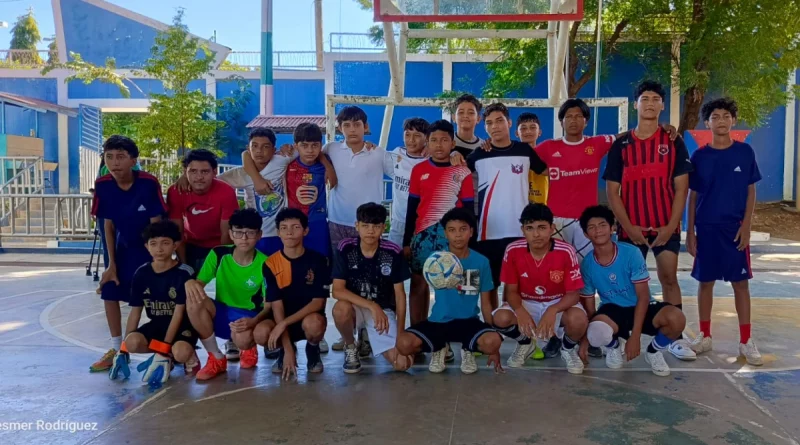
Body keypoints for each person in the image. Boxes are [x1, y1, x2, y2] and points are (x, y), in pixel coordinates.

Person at [603, 80, 697, 362]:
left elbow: (682, 188)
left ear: (663, 105)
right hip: (631, 229)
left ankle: (674, 339)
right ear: (636, 104)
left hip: (664, 226)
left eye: (656, 98)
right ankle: (618, 338)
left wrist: (671, 225)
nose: (650, 103)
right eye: (645, 98)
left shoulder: (672, 141)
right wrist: (628, 227)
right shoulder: (622, 144)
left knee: (668, 277)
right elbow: (612, 191)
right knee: (625, 285)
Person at [686, 98, 762, 365]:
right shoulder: (699, 156)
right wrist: (691, 232)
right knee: (705, 282)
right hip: (706, 229)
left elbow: (751, 190)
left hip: (734, 230)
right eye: (714, 116)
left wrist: (746, 226)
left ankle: (745, 341)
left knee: (740, 284)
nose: (720, 120)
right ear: (707, 123)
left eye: (725, 115)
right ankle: (705, 336)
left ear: (733, 120)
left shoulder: (745, 152)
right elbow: (692, 197)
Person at [578, 205, 687, 376]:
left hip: (641, 306)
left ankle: (653, 352)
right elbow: (589, 306)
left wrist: (635, 337)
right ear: (585, 234)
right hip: (613, 310)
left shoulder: (631, 253)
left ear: (612, 227)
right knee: (596, 332)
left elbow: (643, 297)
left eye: (602, 225)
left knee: (677, 318)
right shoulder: (587, 265)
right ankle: (614, 347)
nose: (598, 231)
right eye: (591, 227)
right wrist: (586, 340)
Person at [90, 135, 167, 373]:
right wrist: (111, 264)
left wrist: (160, 259)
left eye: (121, 157)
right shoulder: (103, 185)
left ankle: (166, 348)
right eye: (109, 157)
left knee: (161, 297)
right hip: (122, 250)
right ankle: (115, 348)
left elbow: (157, 224)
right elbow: (108, 227)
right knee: (110, 289)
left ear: (133, 160)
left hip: (149, 250)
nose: (115, 163)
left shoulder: (147, 183)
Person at [396, 208, 504, 374]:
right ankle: (439, 348)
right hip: (438, 321)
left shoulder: (481, 261)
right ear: (445, 233)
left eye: (463, 229)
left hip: (469, 321)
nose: (458, 235)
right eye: (452, 230)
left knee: (493, 341)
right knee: (403, 343)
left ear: (471, 232)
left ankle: (468, 349)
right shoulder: (436, 259)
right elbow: (420, 288)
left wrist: (494, 344)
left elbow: (486, 304)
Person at [323, 106, 393, 353]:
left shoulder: (378, 154)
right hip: (337, 225)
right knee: (343, 282)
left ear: (365, 127)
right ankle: (348, 332)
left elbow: (403, 171)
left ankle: (366, 334)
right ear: (340, 128)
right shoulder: (331, 149)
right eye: (346, 125)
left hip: (368, 229)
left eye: (357, 124)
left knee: (369, 281)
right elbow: (314, 156)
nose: (352, 130)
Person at [467, 103, 548, 311]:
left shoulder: (525, 151)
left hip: (519, 232)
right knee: (488, 285)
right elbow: (457, 173)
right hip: (487, 232)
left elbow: (548, 172)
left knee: (517, 285)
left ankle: (514, 327)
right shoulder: (478, 155)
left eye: (500, 121)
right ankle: (493, 326)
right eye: (489, 123)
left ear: (509, 123)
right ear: (484, 128)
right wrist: (453, 156)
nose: (495, 126)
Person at [493, 204, 588, 374]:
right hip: (527, 301)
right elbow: (511, 291)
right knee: (501, 318)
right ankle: (525, 343)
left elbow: (573, 294)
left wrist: (553, 309)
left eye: (542, 228)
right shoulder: (513, 250)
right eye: (530, 228)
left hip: (558, 301)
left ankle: (567, 349)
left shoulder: (566, 251)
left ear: (552, 228)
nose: (536, 234)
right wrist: (520, 310)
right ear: (523, 230)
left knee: (578, 320)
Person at [403, 119, 474, 332]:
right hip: (423, 237)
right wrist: (407, 241)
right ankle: (419, 332)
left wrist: (471, 240)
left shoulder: (463, 172)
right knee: (418, 284)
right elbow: (411, 207)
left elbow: (470, 210)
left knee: (461, 286)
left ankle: (462, 332)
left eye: (444, 140)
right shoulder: (418, 170)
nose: (439, 145)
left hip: (455, 238)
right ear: (428, 142)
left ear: (453, 144)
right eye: (434, 140)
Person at [109, 221, 200, 384]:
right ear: (146, 246)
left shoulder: (184, 273)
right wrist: (122, 350)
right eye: (154, 244)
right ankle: (167, 356)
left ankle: (178, 354)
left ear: (175, 245)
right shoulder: (142, 273)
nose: (159, 249)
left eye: (165, 243)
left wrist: (164, 349)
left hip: (182, 326)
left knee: (181, 352)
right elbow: (135, 312)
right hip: (157, 324)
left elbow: (179, 313)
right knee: (132, 342)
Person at [184, 209, 270, 381]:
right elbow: (199, 284)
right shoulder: (218, 254)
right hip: (222, 312)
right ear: (231, 234)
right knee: (193, 299)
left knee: (243, 340)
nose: (244, 238)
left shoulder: (266, 263)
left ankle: (248, 347)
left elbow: (269, 305)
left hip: (248, 316)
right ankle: (216, 357)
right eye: (238, 232)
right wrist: (190, 282)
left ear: (259, 235)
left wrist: (253, 322)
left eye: (250, 233)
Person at [331, 203, 413, 374]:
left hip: (382, 312)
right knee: (340, 309)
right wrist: (371, 305)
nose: (370, 231)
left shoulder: (392, 252)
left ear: (384, 227)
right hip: (356, 307)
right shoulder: (346, 247)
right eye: (365, 225)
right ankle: (351, 345)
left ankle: (368, 335)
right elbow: (337, 290)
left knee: (402, 363)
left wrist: (400, 334)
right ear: (357, 226)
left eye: (376, 226)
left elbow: (400, 295)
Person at [255, 208, 331, 379]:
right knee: (260, 333)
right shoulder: (270, 264)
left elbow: (318, 303)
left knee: (315, 324)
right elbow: (276, 304)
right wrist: (288, 349)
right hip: (282, 318)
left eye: (295, 227)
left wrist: (283, 324)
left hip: (307, 319)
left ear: (305, 231)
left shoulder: (319, 261)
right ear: (278, 232)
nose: (289, 232)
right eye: (284, 227)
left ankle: (312, 350)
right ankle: (285, 349)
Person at [218, 128, 294, 257]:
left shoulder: (280, 161)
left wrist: (288, 147)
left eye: (265, 147)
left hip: (280, 233)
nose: (259, 151)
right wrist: (185, 178)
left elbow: (307, 149)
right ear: (249, 148)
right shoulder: (240, 173)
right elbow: (211, 182)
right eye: (255, 146)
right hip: (254, 234)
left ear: (274, 149)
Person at [167, 149, 239, 273]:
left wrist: (223, 266)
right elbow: (177, 232)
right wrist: (184, 266)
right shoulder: (176, 191)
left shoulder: (226, 192)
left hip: (217, 246)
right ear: (185, 172)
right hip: (190, 245)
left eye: (205, 171)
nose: (199, 177)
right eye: (193, 171)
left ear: (215, 172)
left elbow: (226, 234)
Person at [285, 122, 332, 259]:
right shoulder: (286, 163)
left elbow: (334, 181)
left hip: (318, 221)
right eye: (304, 146)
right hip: (293, 223)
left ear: (320, 145)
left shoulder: (327, 163)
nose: (310, 150)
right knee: (294, 261)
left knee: (320, 261)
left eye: (315, 145)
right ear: (296, 146)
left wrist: (327, 164)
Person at [385, 117, 430, 246]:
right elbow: (376, 155)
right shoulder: (397, 154)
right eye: (407, 135)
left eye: (417, 135)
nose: (411, 140)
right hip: (398, 223)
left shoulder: (431, 160)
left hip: (423, 223)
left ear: (426, 138)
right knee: (395, 260)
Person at [516, 112, 548, 206]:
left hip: (542, 206)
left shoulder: (547, 155)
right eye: (523, 128)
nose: (528, 131)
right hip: (518, 205)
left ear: (540, 132)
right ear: (517, 133)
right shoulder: (512, 155)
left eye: (533, 127)